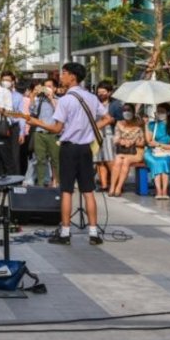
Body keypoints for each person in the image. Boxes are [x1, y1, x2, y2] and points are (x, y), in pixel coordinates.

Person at [22, 62, 112, 245]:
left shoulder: (65, 100)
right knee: (88, 191)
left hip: (69, 148)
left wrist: (36, 122)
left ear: (73, 76)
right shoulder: (91, 97)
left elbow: (56, 128)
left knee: (67, 191)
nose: (61, 76)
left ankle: (65, 233)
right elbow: (108, 118)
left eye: (64, 73)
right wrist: (91, 129)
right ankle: (93, 233)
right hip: (86, 148)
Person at [144, 102, 170, 200]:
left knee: (163, 162)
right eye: (158, 111)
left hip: (166, 152)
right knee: (157, 162)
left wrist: (159, 144)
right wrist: (146, 124)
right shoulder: (152, 125)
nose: (159, 114)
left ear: (168, 113)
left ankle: (164, 191)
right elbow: (148, 141)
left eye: (162, 111)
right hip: (152, 152)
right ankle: (158, 191)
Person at [109, 103, 145, 197]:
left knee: (126, 160)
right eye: (124, 110)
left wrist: (132, 142)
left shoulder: (140, 124)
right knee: (117, 160)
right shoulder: (119, 123)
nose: (126, 112)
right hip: (123, 150)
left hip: (136, 151)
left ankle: (119, 187)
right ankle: (112, 187)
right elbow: (115, 139)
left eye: (129, 110)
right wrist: (121, 141)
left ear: (133, 112)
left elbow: (143, 142)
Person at [30, 78, 60, 187]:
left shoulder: (59, 100)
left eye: (49, 86)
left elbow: (60, 112)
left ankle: (56, 182)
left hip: (53, 133)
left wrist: (51, 98)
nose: (47, 89)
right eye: (45, 86)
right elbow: (32, 111)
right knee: (40, 159)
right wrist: (33, 96)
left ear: (55, 88)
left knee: (55, 159)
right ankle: (41, 183)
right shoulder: (40, 100)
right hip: (40, 132)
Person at [95, 81, 116, 191]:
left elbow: (118, 119)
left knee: (109, 160)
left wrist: (109, 120)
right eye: (99, 92)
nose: (101, 94)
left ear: (109, 92)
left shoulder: (114, 105)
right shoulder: (94, 104)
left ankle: (114, 184)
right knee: (99, 161)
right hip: (96, 134)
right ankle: (104, 185)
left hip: (109, 134)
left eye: (103, 92)